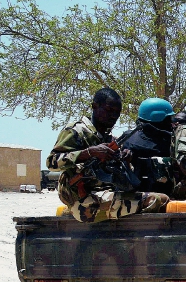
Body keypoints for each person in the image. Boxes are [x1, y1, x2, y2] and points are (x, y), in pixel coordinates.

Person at [47, 87, 169, 223]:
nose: (113, 116)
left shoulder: (109, 138)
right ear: (95, 106)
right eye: (109, 110)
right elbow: (52, 162)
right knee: (157, 200)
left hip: (106, 194)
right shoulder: (77, 131)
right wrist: (88, 153)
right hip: (85, 202)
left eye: (117, 113)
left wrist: (125, 159)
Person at [119, 98, 178, 195]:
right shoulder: (169, 140)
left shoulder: (128, 137)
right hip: (143, 196)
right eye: (168, 119)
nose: (171, 122)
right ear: (158, 117)